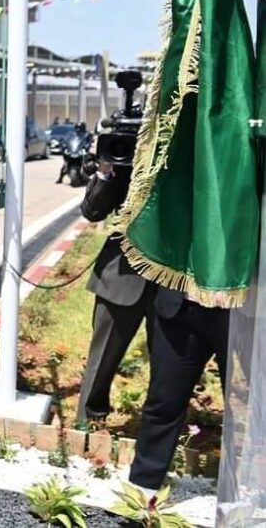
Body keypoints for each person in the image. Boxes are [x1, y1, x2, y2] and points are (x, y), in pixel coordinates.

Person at [75, 162, 157, 424]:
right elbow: (93, 211)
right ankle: (88, 422)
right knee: (102, 358)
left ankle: (159, 429)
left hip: (173, 278)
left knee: (170, 368)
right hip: (121, 276)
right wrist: (107, 169)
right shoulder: (126, 158)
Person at [128, 290, 230, 493]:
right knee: (164, 400)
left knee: (250, 408)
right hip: (181, 307)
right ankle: (142, 489)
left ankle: (251, 496)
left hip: (242, 313)